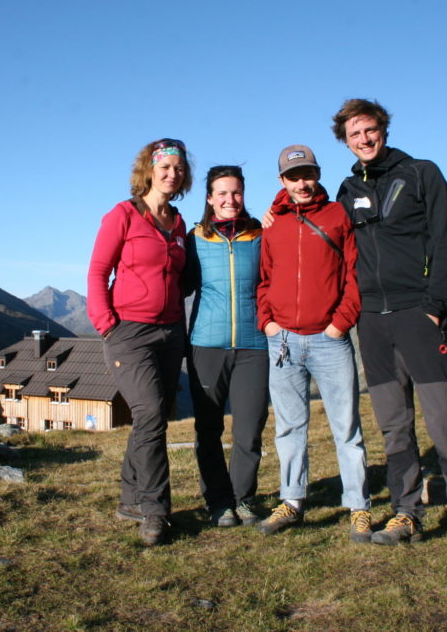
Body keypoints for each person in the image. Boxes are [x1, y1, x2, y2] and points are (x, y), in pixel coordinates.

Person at [331, 98, 447, 557]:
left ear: (384, 129)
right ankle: (406, 512)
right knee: (393, 425)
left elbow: (446, 240)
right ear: (345, 140)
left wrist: (434, 306)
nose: (363, 139)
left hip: (418, 315)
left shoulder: (421, 173)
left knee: (443, 419)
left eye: (370, 129)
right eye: (354, 133)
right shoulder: (346, 189)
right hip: (373, 324)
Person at [255, 144, 372, 541]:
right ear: (281, 181)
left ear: (318, 174)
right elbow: (264, 278)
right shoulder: (273, 224)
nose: (302, 183)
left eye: (308, 174)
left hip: (330, 339)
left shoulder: (338, 215)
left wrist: (341, 323)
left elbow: (354, 273)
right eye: (293, 176)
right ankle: (292, 501)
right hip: (283, 340)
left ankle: (358, 506)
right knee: (289, 428)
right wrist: (267, 322)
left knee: (347, 427)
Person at [87, 138, 192, 547]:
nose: (172, 174)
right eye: (164, 167)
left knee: (153, 416)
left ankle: (131, 499)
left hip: (169, 333)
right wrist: (106, 325)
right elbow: (97, 271)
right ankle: (155, 510)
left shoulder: (179, 223)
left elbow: (182, 280)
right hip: (129, 332)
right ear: (149, 170)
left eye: (179, 169)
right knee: (149, 412)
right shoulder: (123, 215)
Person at [183, 165, 269, 528]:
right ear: (209, 198)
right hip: (206, 345)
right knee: (208, 430)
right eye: (221, 193)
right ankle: (218, 502)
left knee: (249, 431)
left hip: (254, 346)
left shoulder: (260, 235)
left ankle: (244, 499)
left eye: (235, 192)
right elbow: (179, 283)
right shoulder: (195, 238)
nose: (229, 200)